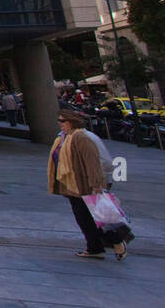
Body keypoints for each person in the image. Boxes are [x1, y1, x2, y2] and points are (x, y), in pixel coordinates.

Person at [48, 110, 126, 260]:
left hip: (86, 185)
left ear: (72, 121)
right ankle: (95, 247)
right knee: (85, 218)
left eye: (62, 120)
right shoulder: (64, 137)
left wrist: (96, 183)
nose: (59, 123)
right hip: (73, 185)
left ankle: (115, 240)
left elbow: (100, 163)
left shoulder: (83, 138)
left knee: (92, 217)